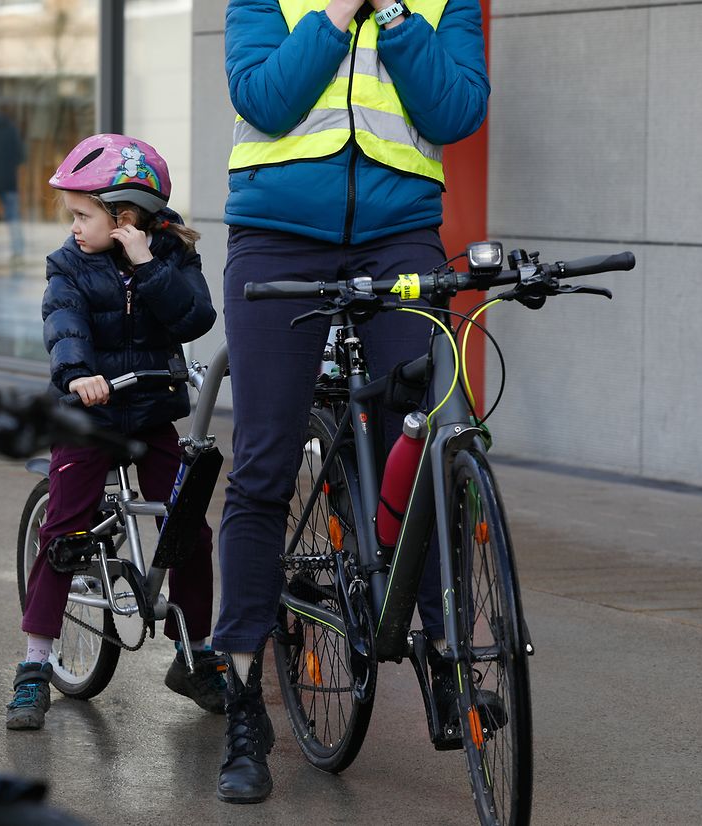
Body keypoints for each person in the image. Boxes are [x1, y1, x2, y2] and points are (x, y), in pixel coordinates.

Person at [213, 0, 490, 803]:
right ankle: (242, 701)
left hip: (399, 234)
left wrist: (395, 16)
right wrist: (337, 11)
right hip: (276, 235)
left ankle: (450, 658)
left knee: (430, 446)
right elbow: (264, 99)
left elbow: (455, 112)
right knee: (263, 462)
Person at [7, 134, 220, 731]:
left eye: (84, 215)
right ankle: (35, 664)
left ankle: (196, 652)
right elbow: (63, 322)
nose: (74, 227)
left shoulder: (171, 254)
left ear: (126, 218)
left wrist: (148, 266)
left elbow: (196, 317)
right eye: (73, 215)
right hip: (89, 415)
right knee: (63, 533)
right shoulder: (68, 264)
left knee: (190, 528)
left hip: (150, 410)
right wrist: (78, 374)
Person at [0, 108, 27, 264]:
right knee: (13, 217)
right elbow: (20, 157)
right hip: (9, 180)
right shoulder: (11, 129)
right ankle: (18, 251)